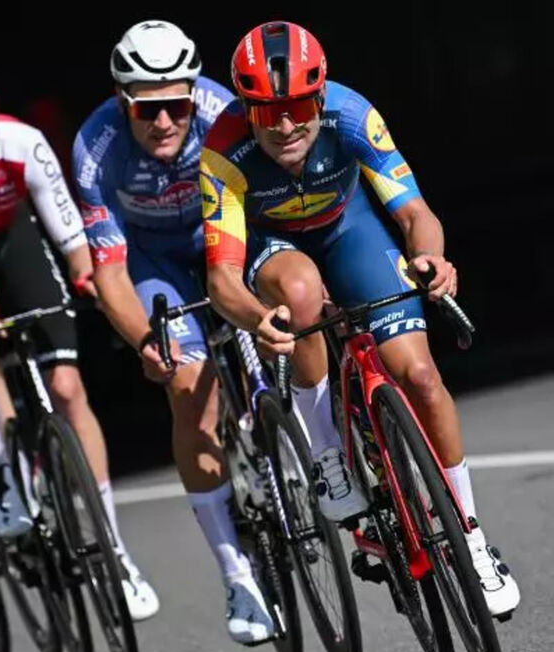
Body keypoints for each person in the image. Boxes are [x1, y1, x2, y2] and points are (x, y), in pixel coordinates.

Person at [200, 20, 519, 617]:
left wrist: (431, 257)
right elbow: (222, 277)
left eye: (298, 107)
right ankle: (327, 456)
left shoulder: (351, 115)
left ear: (319, 96)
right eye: (267, 112)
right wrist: (255, 317)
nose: (286, 126)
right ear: (246, 109)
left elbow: (414, 214)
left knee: (419, 376)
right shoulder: (223, 152)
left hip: (349, 231)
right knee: (300, 291)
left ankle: (472, 539)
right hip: (276, 250)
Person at [0, 66, 158, 619]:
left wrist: (87, 277)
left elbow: (71, 235)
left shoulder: (24, 144)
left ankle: (116, 552)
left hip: (16, 242)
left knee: (67, 389)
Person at [72, 20, 268, 640]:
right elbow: (108, 273)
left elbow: (265, 202)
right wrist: (145, 342)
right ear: (121, 101)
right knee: (188, 391)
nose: (163, 122)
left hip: (223, 237)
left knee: (282, 316)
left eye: (176, 107)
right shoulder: (96, 145)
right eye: (146, 109)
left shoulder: (222, 113)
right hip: (152, 260)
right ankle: (236, 576)